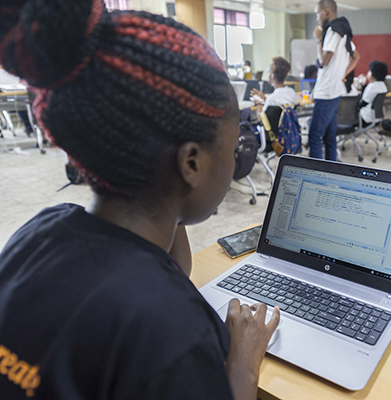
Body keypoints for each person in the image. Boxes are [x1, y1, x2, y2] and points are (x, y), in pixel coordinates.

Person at [0, 1, 279, 399]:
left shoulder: (39, 233)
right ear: (192, 163)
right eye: (233, 148)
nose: (236, 159)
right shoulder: (177, 334)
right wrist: (243, 365)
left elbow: (156, 269)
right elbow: (155, 295)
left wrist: (173, 194)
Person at [309, 0, 360, 161]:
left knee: (314, 136)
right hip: (335, 90)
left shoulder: (332, 30)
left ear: (325, 11)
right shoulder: (344, 32)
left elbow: (324, 61)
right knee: (329, 138)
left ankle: (315, 175)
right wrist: (343, 73)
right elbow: (356, 57)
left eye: (317, 13)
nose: (317, 18)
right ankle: (331, 171)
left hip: (327, 92)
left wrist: (318, 39)